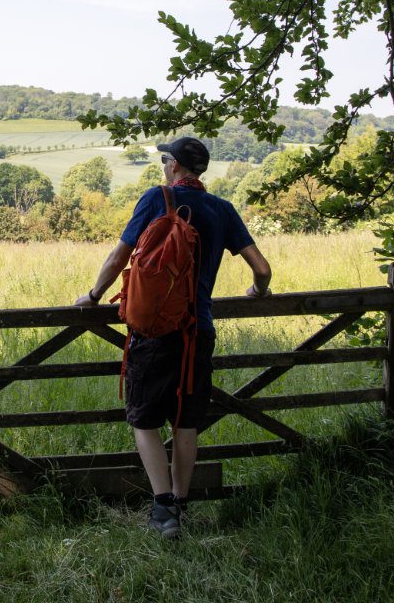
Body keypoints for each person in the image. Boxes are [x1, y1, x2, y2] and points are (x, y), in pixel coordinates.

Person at [74, 136, 272, 538]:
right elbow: (262, 269)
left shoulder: (156, 198)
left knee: (143, 418)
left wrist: (94, 296)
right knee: (186, 422)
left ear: (175, 166)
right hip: (198, 330)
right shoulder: (222, 209)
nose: (165, 164)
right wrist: (258, 292)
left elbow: (118, 257)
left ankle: (163, 508)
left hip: (155, 329)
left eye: (166, 159)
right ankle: (180, 503)